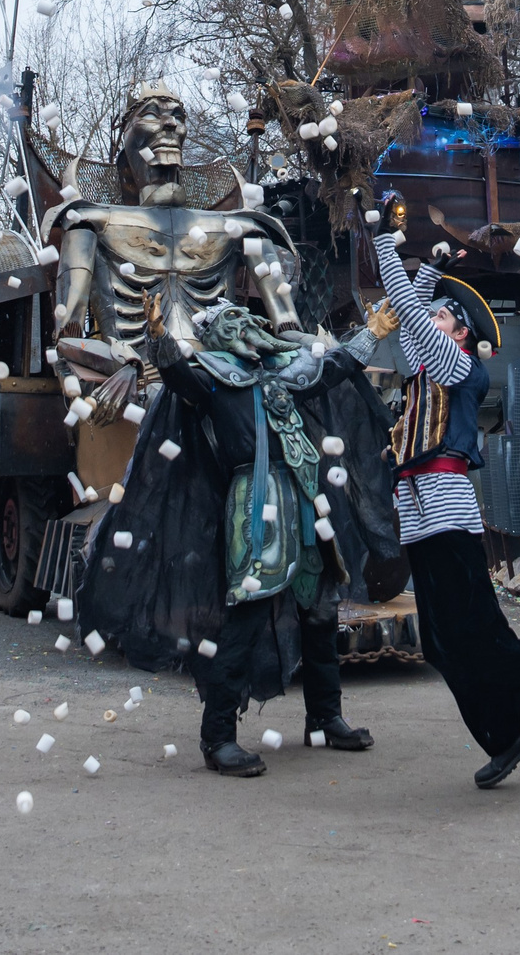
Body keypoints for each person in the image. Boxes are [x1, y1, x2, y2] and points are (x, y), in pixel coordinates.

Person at [104, 305, 395, 775]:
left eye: (250, 320)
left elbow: (332, 369)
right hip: (255, 500)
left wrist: (373, 332)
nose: (247, 327)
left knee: (320, 610)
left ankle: (325, 718)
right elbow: (177, 376)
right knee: (247, 615)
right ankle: (217, 738)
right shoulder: (211, 376)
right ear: (213, 336)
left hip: (303, 498)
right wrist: (158, 336)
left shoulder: (283, 372)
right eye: (232, 322)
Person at [371, 200, 520, 788]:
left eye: (438, 318)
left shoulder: (456, 365)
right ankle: (509, 733)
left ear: (459, 333)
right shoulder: (426, 373)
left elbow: (405, 311)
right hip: (419, 515)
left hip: (446, 507)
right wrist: (430, 263)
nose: (424, 324)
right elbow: (412, 312)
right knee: (440, 642)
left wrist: (383, 240)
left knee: (474, 626)